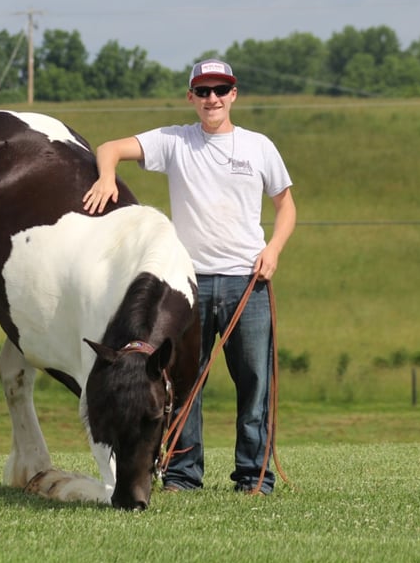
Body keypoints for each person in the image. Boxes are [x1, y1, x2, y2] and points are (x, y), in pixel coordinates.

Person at [82, 59, 296, 495]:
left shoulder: (259, 147)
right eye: (203, 92)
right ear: (191, 98)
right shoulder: (175, 141)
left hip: (247, 283)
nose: (212, 99)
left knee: (254, 384)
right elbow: (108, 148)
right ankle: (183, 476)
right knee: (184, 385)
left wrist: (272, 249)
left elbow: (286, 206)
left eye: (220, 90)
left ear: (234, 94)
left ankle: (255, 478)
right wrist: (107, 176)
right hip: (189, 287)